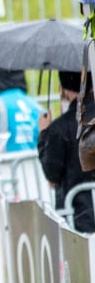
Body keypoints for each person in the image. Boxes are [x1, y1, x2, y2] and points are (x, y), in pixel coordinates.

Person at [38, 70, 95, 232]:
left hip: (79, 218)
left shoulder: (59, 128)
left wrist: (43, 134)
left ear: (63, 90)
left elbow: (52, 172)